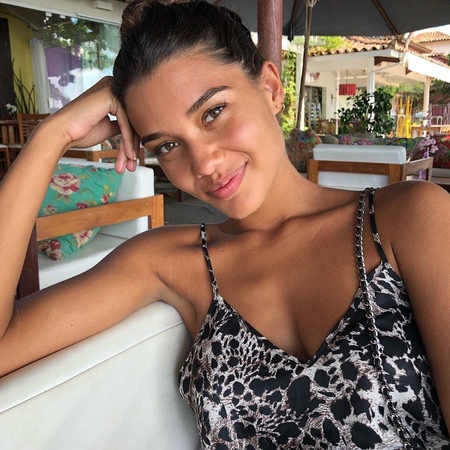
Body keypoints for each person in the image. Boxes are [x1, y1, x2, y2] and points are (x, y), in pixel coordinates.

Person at [0, 1, 449, 448]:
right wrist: (51, 137)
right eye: (168, 145)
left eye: (213, 112)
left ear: (270, 88)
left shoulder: (406, 220)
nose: (204, 163)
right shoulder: (168, 262)